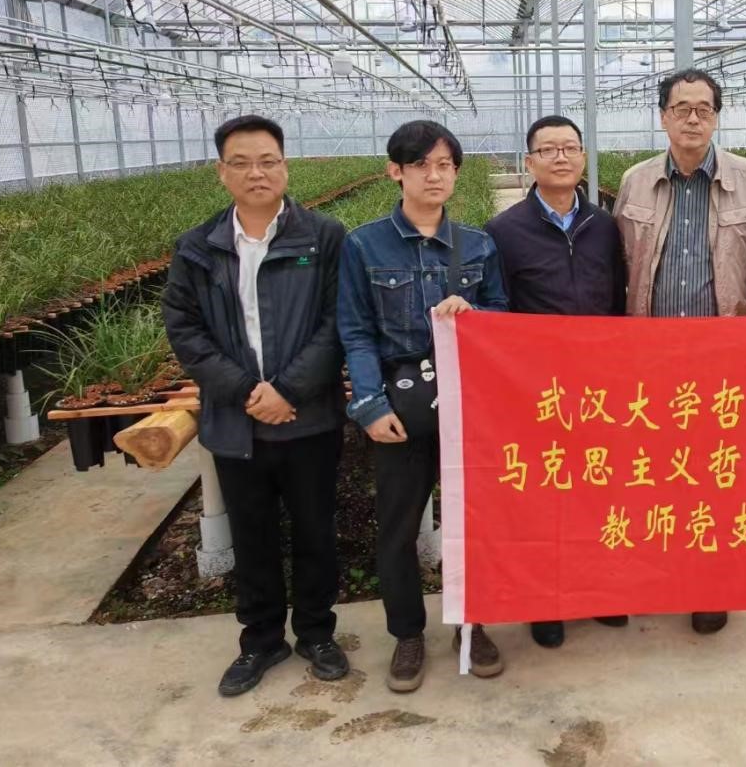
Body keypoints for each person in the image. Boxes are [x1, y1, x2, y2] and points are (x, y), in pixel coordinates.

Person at [162, 114, 349, 697]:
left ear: (285, 166)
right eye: (241, 163)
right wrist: (246, 392)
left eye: (267, 161)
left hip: (308, 417)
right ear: (221, 173)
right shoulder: (198, 247)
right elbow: (185, 329)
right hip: (235, 421)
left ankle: (317, 632)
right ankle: (261, 640)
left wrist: (288, 390)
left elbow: (338, 322)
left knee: (316, 529)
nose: (256, 173)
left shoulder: (324, 237)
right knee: (252, 535)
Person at [338, 120, 509, 692]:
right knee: (399, 525)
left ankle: (472, 625)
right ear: (396, 171)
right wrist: (369, 403)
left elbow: (502, 313)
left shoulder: (478, 244)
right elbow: (356, 331)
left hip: (468, 407)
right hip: (400, 403)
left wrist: (476, 313)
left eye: (445, 165)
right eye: (421, 165)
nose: (434, 175)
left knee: (473, 521)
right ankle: (407, 634)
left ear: (456, 173)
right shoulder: (364, 245)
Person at [613, 67, 746, 635]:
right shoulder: (635, 182)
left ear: (716, 117)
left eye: (703, 108)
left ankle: (709, 583)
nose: (692, 118)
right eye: (681, 108)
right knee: (653, 470)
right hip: (651, 357)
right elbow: (619, 264)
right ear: (663, 116)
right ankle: (658, 572)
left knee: (717, 473)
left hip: (726, 359)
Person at [485, 114, 629, 648]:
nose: (561, 157)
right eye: (548, 150)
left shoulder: (605, 226)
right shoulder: (504, 232)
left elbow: (617, 300)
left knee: (599, 491)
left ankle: (600, 591)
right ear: (530, 163)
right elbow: (498, 310)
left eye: (570, 147)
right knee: (546, 497)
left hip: (599, 388)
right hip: (538, 391)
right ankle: (546, 601)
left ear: (584, 157)